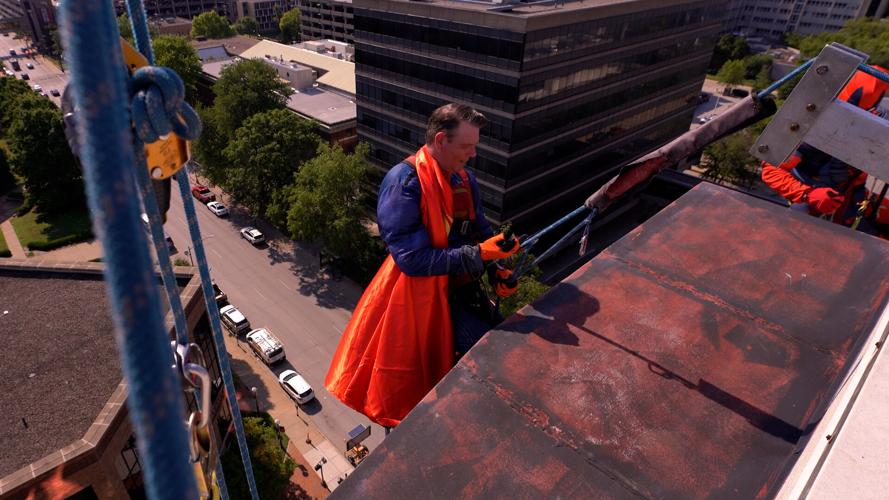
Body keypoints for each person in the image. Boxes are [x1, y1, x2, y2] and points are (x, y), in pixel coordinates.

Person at [325, 103, 521, 427]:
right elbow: (412, 260)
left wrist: (497, 268)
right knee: (489, 357)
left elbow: (480, 231)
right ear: (441, 140)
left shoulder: (464, 179)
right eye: (466, 146)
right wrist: (479, 255)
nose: (473, 154)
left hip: (460, 289)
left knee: (505, 347)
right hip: (420, 297)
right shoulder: (404, 182)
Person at [761, 65, 889, 236]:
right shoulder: (812, 125)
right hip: (810, 190)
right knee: (795, 230)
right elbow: (770, 170)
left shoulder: (877, 120)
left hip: (850, 193)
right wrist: (807, 194)